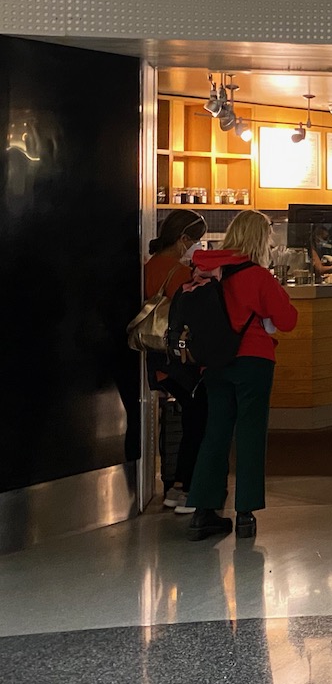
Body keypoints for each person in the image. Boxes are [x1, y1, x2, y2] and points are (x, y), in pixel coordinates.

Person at [185, 210, 299, 541]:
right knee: (249, 434)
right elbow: (288, 319)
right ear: (259, 239)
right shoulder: (257, 276)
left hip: (214, 363)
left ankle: (202, 512)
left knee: (215, 432)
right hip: (253, 361)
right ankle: (245, 515)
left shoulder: (203, 270)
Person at [144, 210, 208, 511]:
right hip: (178, 360)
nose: (197, 246)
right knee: (198, 419)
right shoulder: (179, 273)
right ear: (183, 239)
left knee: (184, 419)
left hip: (156, 360)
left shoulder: (149, 266)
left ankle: (173, 487)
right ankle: (186, 487)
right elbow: (194, 319)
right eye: (195, 240)